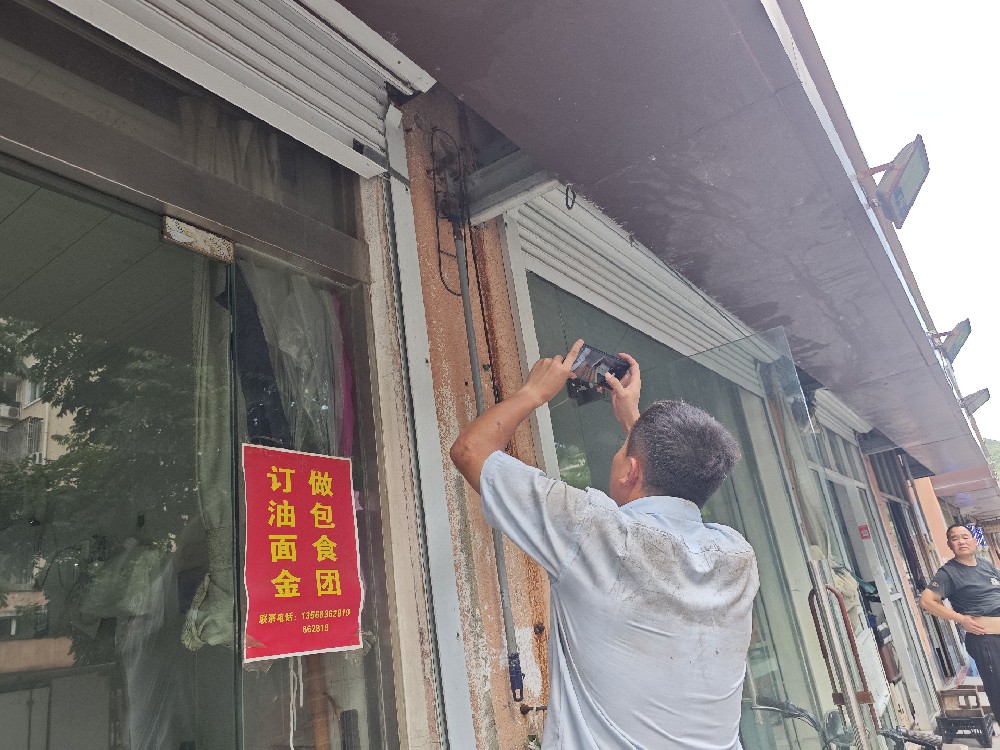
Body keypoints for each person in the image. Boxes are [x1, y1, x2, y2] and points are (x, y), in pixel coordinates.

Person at [449, 339, 759, 749]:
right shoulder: (738, 557)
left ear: (631, 470)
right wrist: (637, 427)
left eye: (623, 452)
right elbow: (668, 480)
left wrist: (534, 392)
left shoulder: (594, 531)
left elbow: (470, 450)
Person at [920, 523, 1000, 711]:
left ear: (974, 540)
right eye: (955, 539)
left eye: (965, 537)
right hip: (986, 640)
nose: (961, 542)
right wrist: (960, 619)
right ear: (949, 544)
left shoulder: (986, 565)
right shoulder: (948, 572)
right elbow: (926, 601)